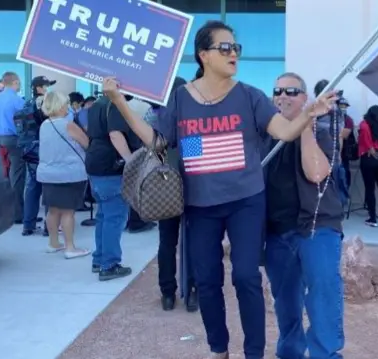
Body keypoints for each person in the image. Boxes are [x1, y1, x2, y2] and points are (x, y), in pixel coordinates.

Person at [101, 20, 336, 359]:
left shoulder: (250, 96)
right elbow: (156, 141)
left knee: (246, 277)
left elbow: (284, 132)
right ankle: (219, 349)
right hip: (200, 204)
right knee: (207, 280)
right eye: (225, 48)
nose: (233, 54)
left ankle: (253, 352)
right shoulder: (181, 99)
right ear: (203, 55)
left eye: (235, 48)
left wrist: (309, 115)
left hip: (246, 201)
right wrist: (119, 102)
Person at [264, 72, 344, 359]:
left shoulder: (320, 131)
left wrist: (307, 123)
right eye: (278, 91)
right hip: (277, 233)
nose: (283, 96)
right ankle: (290, 353)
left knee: (323, 297)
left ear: (305, 97)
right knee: (286, 304)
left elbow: (316, 173)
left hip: (316, 228)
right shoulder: (265, 135)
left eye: (292, 91)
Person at [85, 92, 142, 281]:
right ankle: (109, 264)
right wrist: (130, 160)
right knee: (115, 217)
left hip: (95, 164)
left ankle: (99, 259)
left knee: (104, 215)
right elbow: (116, 135)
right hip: (111, 167)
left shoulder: (96, 105)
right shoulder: (115, 105)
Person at [155, 77, 198, 312]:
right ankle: (192, 291)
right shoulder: (191, 119)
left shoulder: (160, 119)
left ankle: (167, 293)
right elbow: (192, 156)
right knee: (193, 241)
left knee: (166, 241)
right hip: (192, 186)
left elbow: (156, 149)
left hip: (165, 186)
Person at [36, 91, 90, 259]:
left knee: (52, 211)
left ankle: (53, 243)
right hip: (69, 174)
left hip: (47, 174)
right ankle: (70, 247)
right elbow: (87, 143)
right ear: (60, 106)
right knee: (68, 212)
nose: (68, 107)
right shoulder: (68, 125)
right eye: (66, 104)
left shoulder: (44, 125)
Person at [0, 72, 26, 223]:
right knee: (17, 176)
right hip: (14, 140)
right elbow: (24, 124)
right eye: (19, 83)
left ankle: (2, 213)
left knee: (3, 175)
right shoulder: (18, 101)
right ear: (15, 82)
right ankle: (17, 214)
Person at [22, 76, 55, 236]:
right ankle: (49, 227)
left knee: (31, 187)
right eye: (46, 86)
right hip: (44, 148)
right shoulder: (44, 102)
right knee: (48, 187)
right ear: (39, 88)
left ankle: (28, 225)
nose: (48, 89)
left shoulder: (26, 103)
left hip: (30, 150)